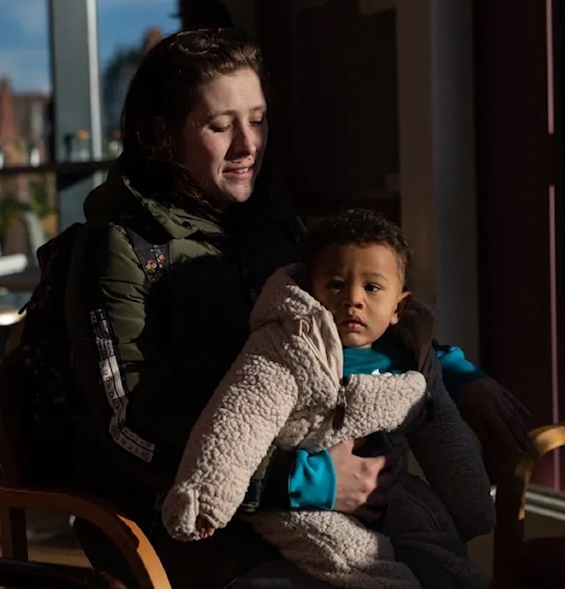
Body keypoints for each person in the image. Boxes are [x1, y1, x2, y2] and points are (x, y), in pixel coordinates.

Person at [63, 28, 528, 589]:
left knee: (442, 573)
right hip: (182, 516)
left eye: (256, 119)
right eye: (219, 125)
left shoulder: (271, 223)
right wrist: (310, 480)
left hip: (320, 501)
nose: (247, 145)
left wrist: (451, 372)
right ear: (161, 135)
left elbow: (343, 326)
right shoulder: (116, 248)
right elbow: (129, 430)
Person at [163, 210, 494, 588]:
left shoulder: (411, 357)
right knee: (367, 566)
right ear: (311, 289)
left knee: (443, 549)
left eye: (371, 288)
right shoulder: (288, 347)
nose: (353, 299)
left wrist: (473, 506)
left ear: (399, 308)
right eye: (336, 284)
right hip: (301, 506)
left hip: (386, 492)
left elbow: (442, 428)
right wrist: (206, 498)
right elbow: (240, 417)